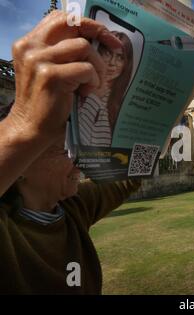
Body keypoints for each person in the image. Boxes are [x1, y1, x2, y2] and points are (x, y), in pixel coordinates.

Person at [0, 11, 141, 294]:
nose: (78, 158)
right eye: (64, 148)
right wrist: (25, 122)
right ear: (21, 165)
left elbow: (130, 176)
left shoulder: (71, 206)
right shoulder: (8, 229)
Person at [78, 31, 133, 147]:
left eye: (120, 57)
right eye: (107, 53)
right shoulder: (79, 88)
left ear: (126, 64)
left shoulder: (122, 100)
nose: (112, 63)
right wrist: (94, 98)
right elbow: (80, 141)